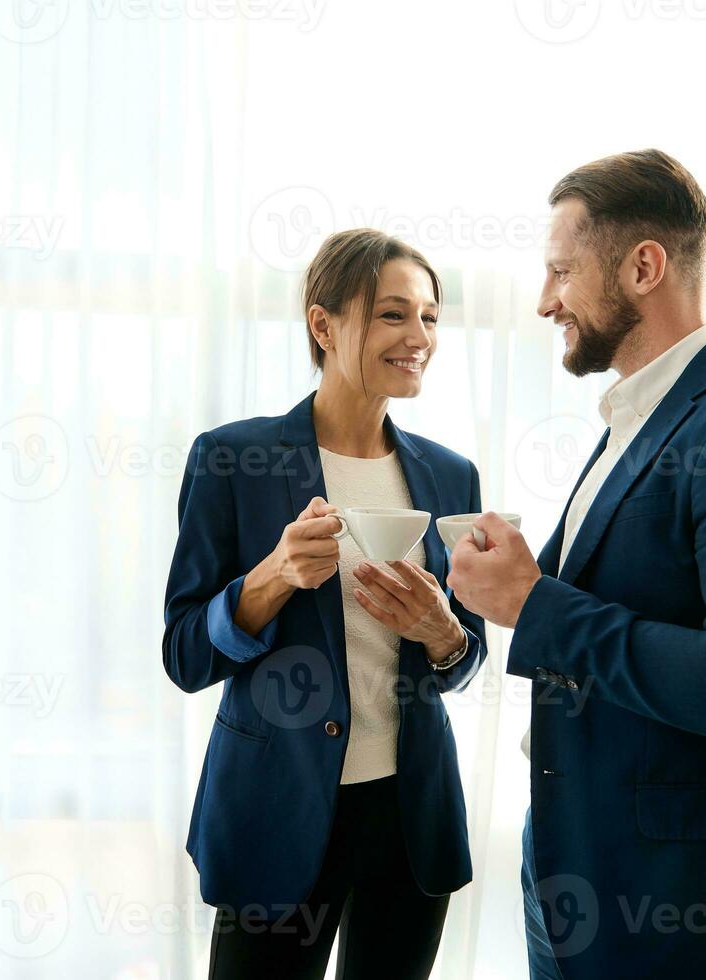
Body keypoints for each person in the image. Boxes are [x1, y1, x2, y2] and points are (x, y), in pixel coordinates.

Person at [447, 149, 706, 978]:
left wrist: (534, 605)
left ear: (643, 266)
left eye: (561, 270)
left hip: (693, 915)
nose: (542, 300)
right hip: (581, 880)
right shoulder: (637, 418)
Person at [162, 228, 488, 979]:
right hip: (275, 807)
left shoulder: (449, 474)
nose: (419, 337)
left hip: (408, 816)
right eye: (393, 315)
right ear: (323, 324)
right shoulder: (232, 459)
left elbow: (461, 657)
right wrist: (271, 576)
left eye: (430, 318)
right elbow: (184, 653)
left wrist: (442, 633)